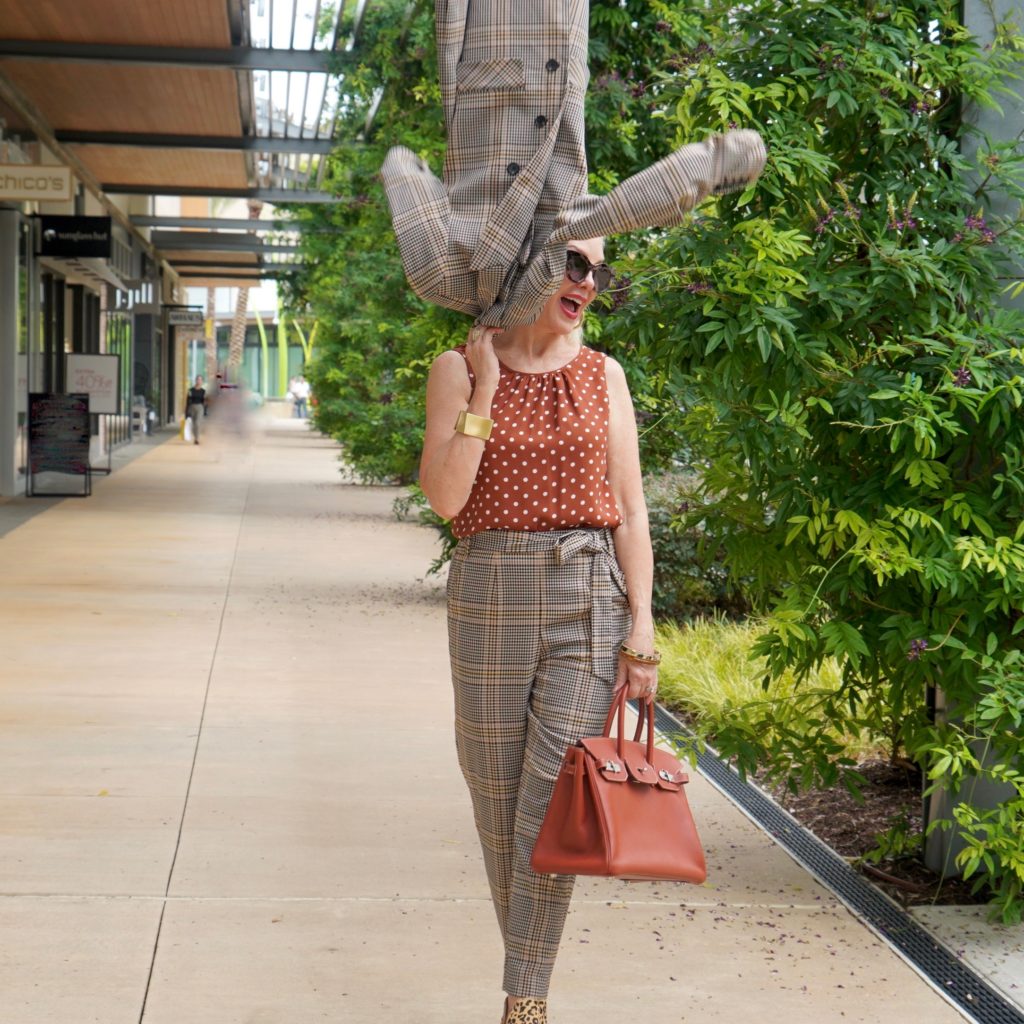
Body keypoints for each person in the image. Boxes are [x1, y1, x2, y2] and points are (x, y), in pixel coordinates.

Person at [419, 237, 659, 1024]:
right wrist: (486, 389)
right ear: (524, 268)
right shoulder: (457, 370)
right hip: (489, 591)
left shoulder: (604, 374)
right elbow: (449, 501)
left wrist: (644, 630)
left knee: (551, 809)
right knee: (495, 804)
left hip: (588, 596)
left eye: (597, 269)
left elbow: (630, 505)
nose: (587, 282)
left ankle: (527, 1001)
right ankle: (529, 973)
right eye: (572, 262)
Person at [185, 375, 206, 445]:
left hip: (200, 407)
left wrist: (205, 411)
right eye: (197, 379)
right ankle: (195, 437)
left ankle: (197, 438)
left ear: (202, 381)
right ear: (195, 380)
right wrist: (186, 412)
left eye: (200, 380)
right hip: (192, 407)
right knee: (194, 424)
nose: (199, 381)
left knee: (197, 423)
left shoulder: (203, 391)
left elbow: (204, 401)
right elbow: (188, 400)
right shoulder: (190, 390)